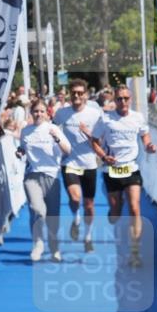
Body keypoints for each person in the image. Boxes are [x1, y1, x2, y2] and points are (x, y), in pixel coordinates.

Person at [82, 85, 157, 268]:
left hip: (131, 168)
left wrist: (149, 146)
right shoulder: (106, 119)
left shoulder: (137, 118)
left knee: (134, 207)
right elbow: (94, 141)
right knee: (115, 213)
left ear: (130, 99)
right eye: (119, 99)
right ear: (114, 100)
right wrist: (103, 157)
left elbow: (145, 137)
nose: (123, 102)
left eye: (125, 98)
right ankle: (114, 210)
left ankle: (134, 253)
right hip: (113, 170)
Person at [52, 78, 103, 252]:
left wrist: (89, 134)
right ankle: (76, 218)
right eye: (74, 93)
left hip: (89, 164)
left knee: (89, 204)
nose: (77, 96)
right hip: (70, 162)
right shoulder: (61, 113)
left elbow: (100, 141)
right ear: (69, 94)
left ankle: (88, 237)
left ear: (86, 95)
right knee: (75, 198)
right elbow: (51, 131)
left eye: (80, 93)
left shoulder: (94, 115)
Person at [18, 99, 71, 262]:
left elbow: (67, 150)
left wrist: (56, 138)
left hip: (52, 176)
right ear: (31, 113)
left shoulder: (53, 129)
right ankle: (38, 245)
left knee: (52, 217)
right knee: (38, 210)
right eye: (35, 111)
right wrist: (19, 152)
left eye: (41, 111)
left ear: (47, 113)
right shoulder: (26, 131)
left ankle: (55, 249)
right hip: (32, 175)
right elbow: (23, 149)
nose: (38, 114)